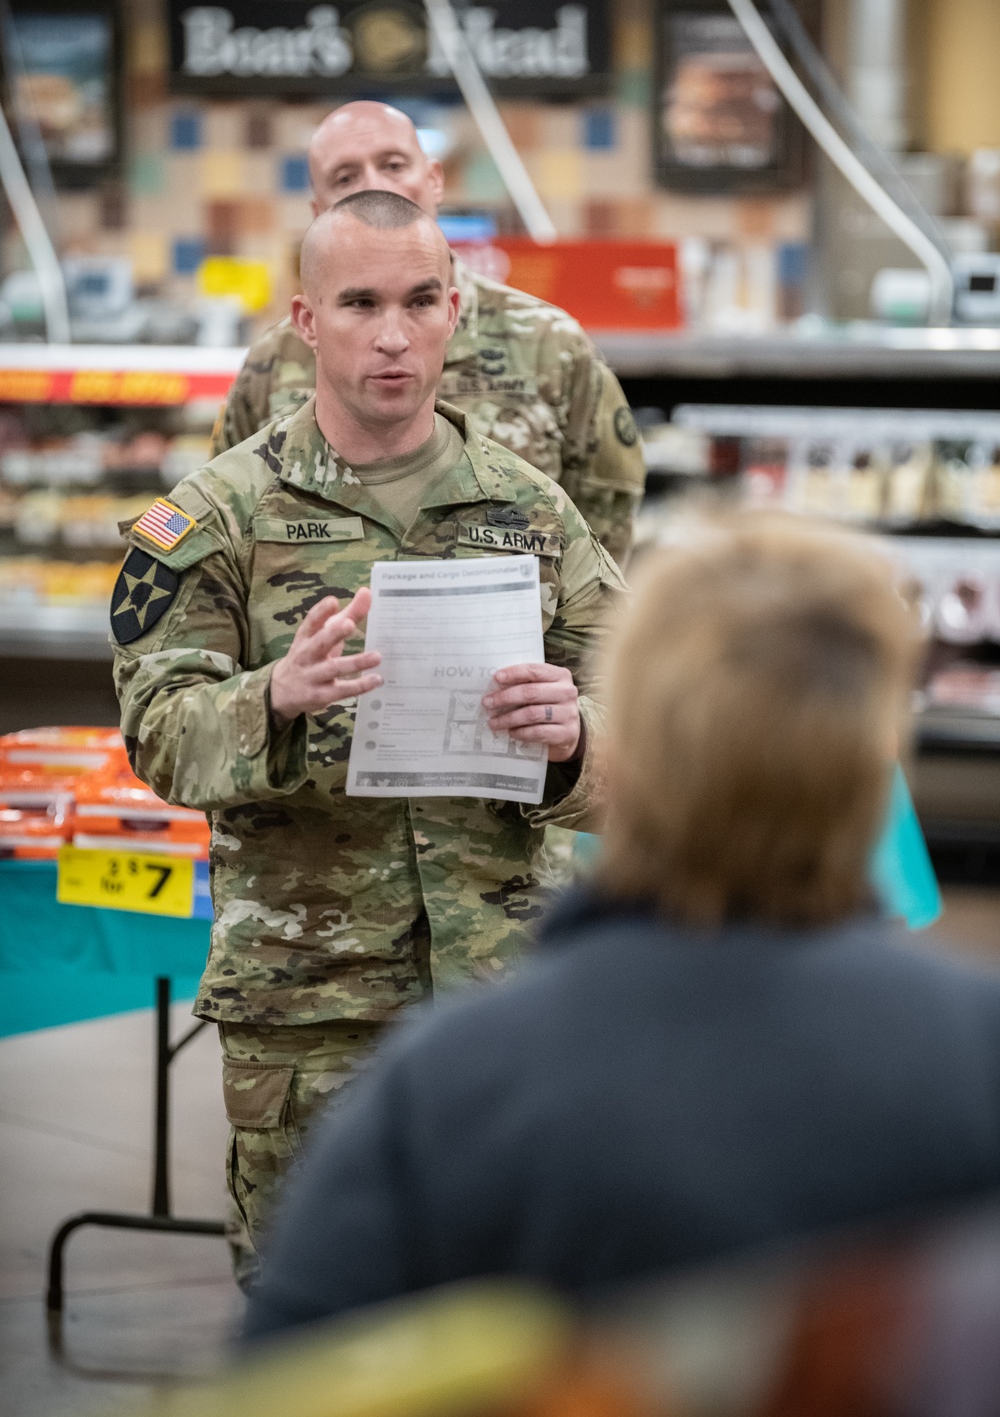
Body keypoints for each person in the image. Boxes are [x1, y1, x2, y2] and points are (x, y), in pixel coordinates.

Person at [243, 510, 1000, 1340]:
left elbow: (288, 1370)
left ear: (632, 746)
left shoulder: (451, 1084)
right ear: (881, 751)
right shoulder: (975, 1052)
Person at [111, 190, 622, 1275]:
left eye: (417, 301)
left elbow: (647, 729)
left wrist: (576, 737)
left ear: (453, 313)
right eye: (358, 303)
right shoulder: (216, 519)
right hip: (310, 1008)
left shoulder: (530, 511)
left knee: (503, 1317)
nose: (391, 334)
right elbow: (157, 731)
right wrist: (272, 699)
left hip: (503, 995)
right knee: (314, 1323)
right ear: (305, 322)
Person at [213, 101, 645, 566]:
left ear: (434, 180)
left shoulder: (551, 344)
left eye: (393, 165)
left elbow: (605, 525)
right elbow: (229, 518)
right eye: (345, 177)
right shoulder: (276, 358)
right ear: (318, 209)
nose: (375, 186)